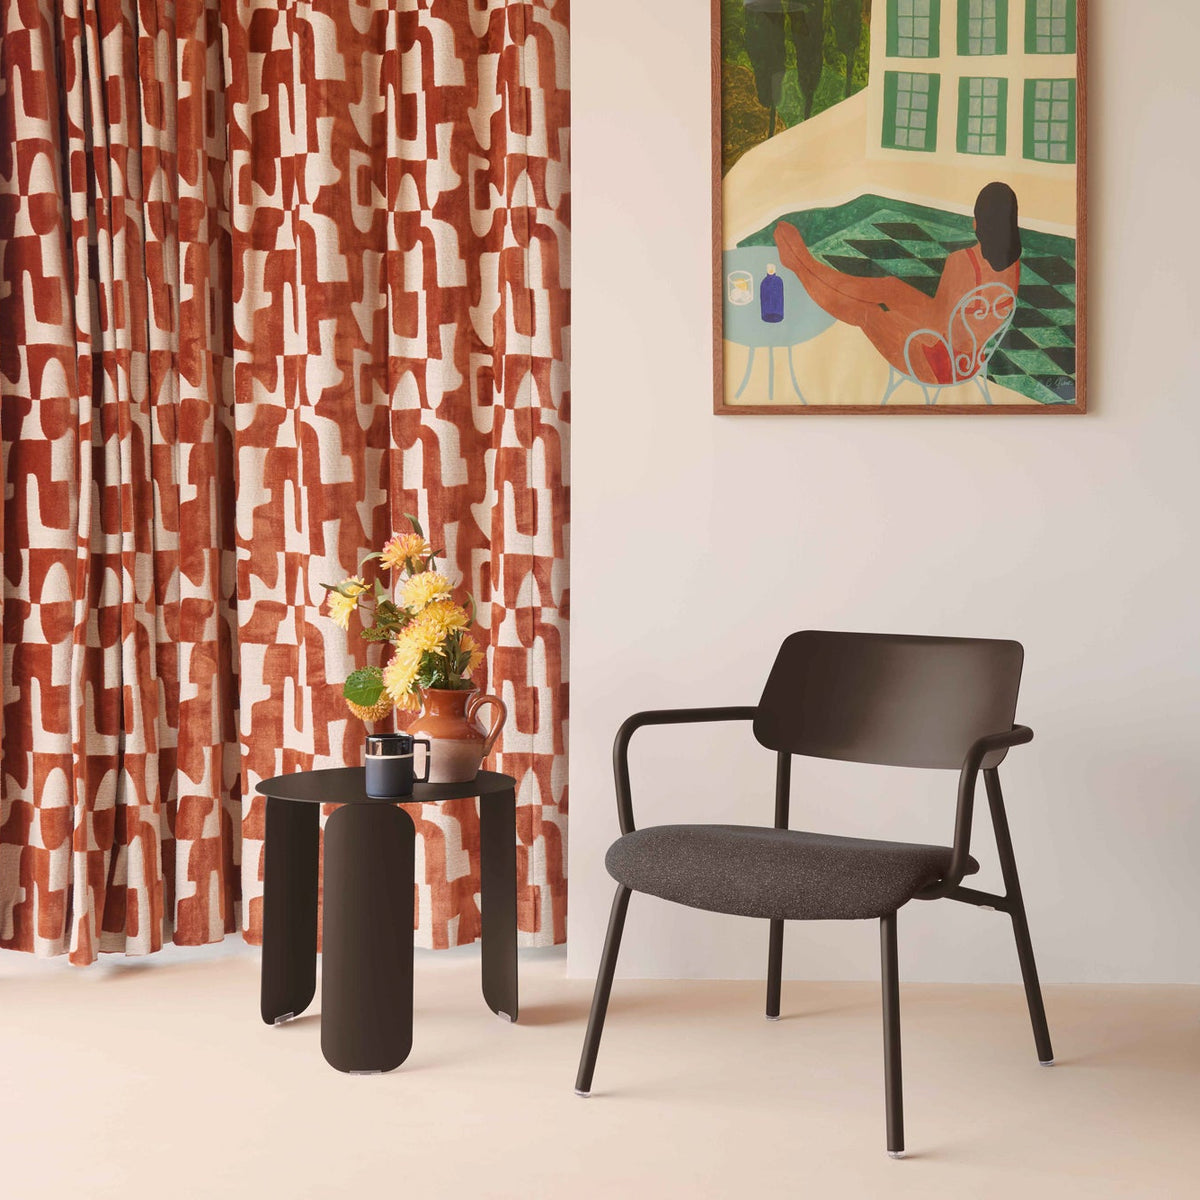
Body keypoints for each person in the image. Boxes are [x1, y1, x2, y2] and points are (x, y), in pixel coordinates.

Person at [774, 182, 1022, 386]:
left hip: (936, 364)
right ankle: (811, 268)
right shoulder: (1015, 264)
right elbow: (955, 319)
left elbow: (936, 329)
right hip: (970, 362)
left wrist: (898, 316)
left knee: (869, 312)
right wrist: (903, 302)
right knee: (892, 287)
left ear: (978, 222)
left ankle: (803, 267)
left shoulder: (963, 261)